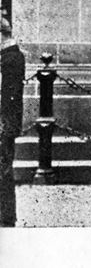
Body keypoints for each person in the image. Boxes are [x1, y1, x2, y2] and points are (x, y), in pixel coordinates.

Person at [1, 19, 25, 227]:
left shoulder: (8, 59)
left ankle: (6, 216)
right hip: (6, 124)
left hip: (3, 124)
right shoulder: (13, 57)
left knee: (3, 170)